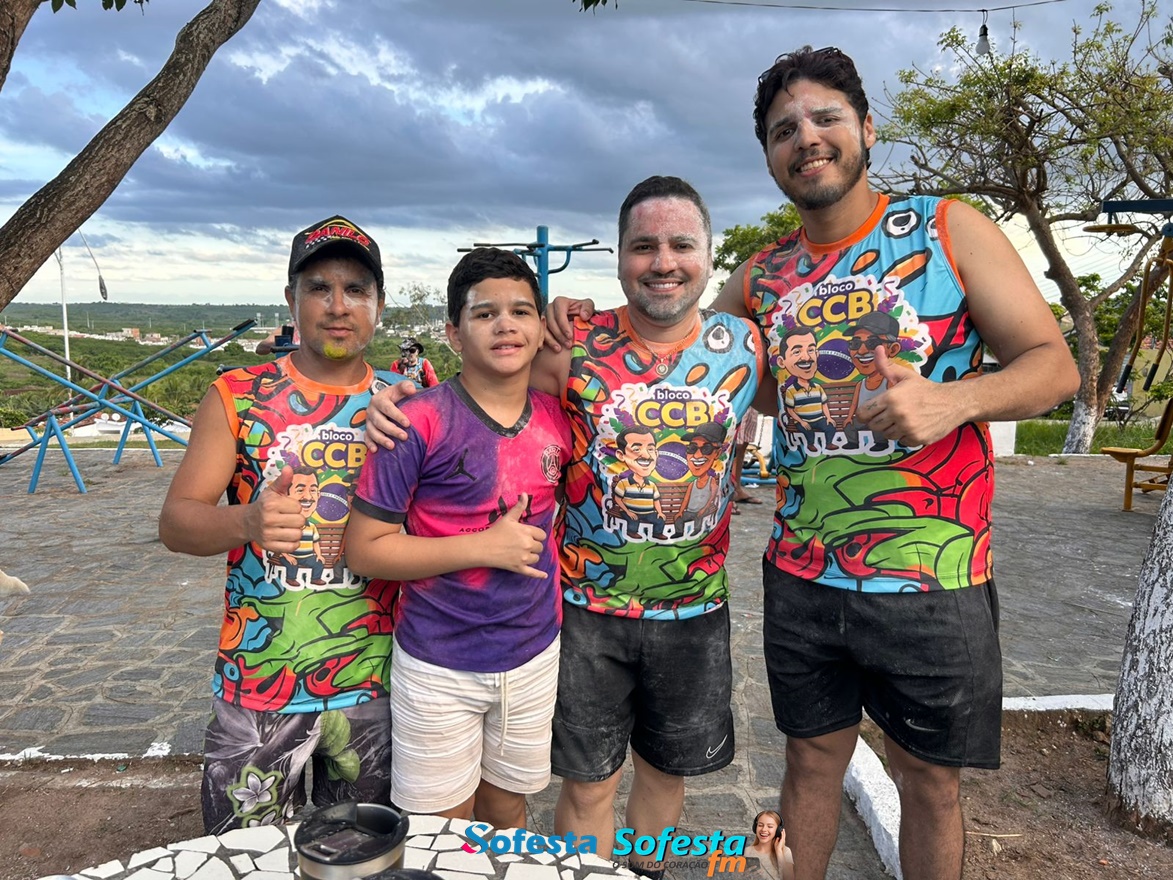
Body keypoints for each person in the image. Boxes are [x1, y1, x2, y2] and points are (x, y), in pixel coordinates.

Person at [707, 46, 1080, 880]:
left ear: (867, 129)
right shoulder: (762, 275)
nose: (805, 138)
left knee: (928, 782)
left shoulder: (947, 228)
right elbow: (687, 353)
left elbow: (1054, 368)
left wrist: (954, 401)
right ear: (767, 156)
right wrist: (578, 326)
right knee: (809, 762)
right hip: (802, 575)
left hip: (933, 575)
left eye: (825, 117)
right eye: (782, 130)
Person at [365, 176, 766, 872]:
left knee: (664, 778)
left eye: (681, 245)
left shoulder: (748, 346)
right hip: (585, 610)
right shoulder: (573, 344)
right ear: (618, 257)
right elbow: (491, 392)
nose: (663, 262)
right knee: (587, 785)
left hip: (694, 609)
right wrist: (388, 402)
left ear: (709, 254)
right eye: (643, 246)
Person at [158, 215, 398, 834]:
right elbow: (177, 523)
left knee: (362, 858)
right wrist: (248, 518)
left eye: (356, 289)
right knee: (244, 858)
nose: (338, 305)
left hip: (379, 680)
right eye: (319, 288)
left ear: (378, 305)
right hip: (260, 683)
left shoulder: (408, 402)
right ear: (291, 300)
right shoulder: (237, 394)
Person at [344, 248, 571, 829]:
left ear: (540, 327)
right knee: (439, 829)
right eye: (484, 313)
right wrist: (482, 547)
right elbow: (365, 548)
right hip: (438, 662)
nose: (505, 325)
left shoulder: (559, 417)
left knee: (507, 810)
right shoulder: (415, 421)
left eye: (521, 311)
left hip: (533, 652)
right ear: (453, 333)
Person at [747, 810, 794, 880]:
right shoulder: (747, 851)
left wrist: (779, 852)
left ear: (778, 830)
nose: (764, 829)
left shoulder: (785, 851)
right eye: (760, 825)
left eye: (770, 826)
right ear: (755, 827)